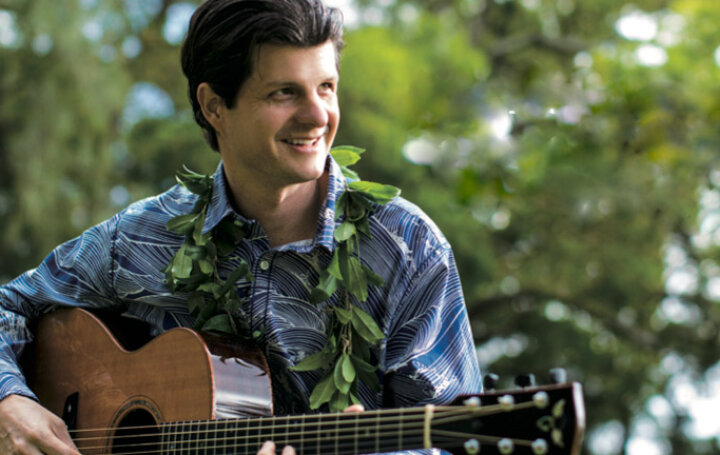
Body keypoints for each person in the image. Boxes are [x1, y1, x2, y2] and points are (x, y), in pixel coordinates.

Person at [0, 0, 482, 453]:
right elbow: (9, 308)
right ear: (214, 106)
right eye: (284, 92)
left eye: (326, 87)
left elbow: (451, 440)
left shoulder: (406, 247)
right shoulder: (142, 239)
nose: (318, 115)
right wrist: (9, 401)